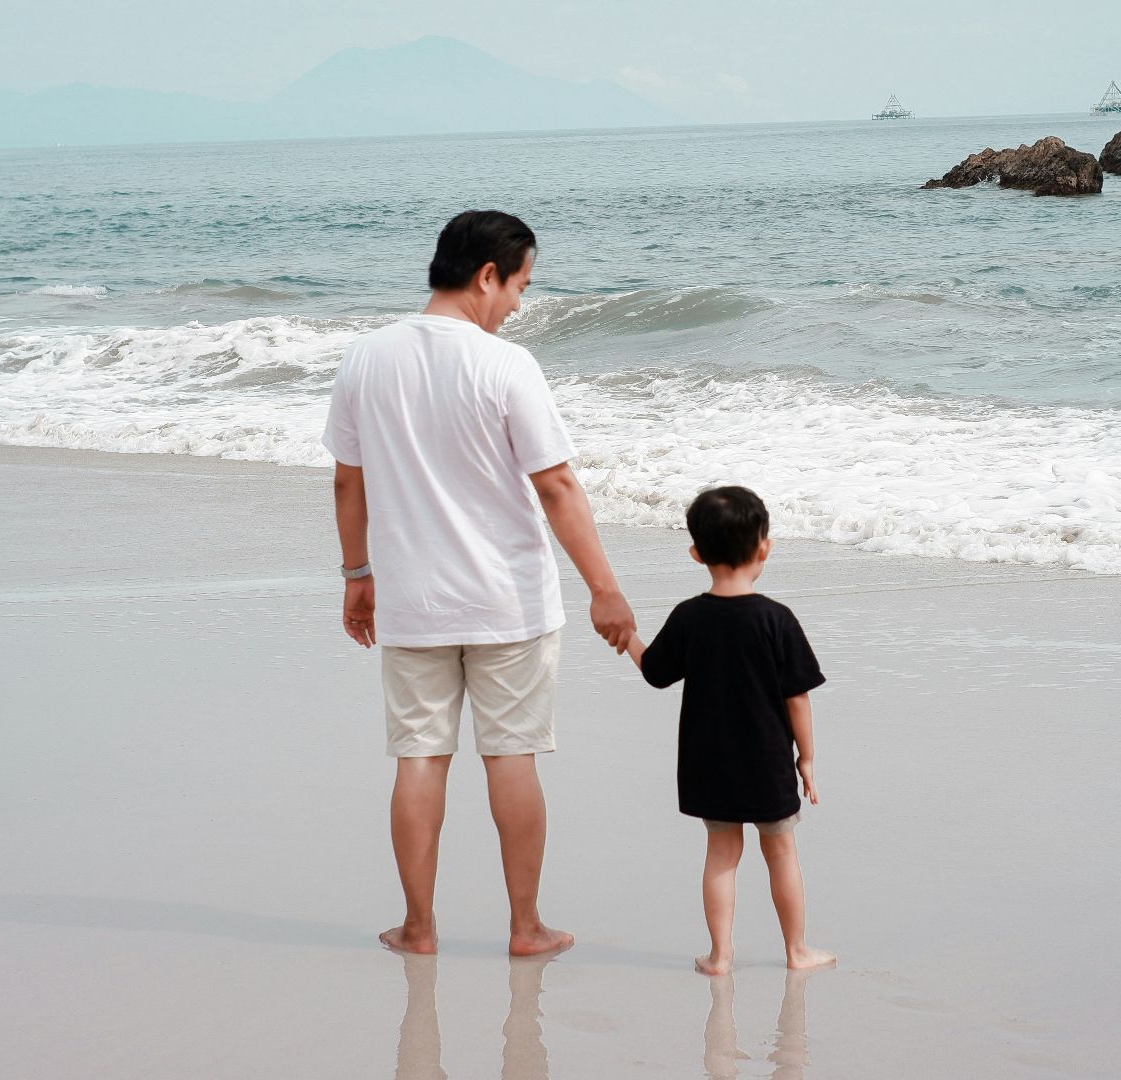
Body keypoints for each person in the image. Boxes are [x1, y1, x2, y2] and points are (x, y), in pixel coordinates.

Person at [325, 209, 637, 957]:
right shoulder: (504, 365)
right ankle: (525, 927)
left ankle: (419, 926)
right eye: (520, 285)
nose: (519, 305)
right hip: (509, 602)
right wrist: (604, 587)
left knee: (420, 758)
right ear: (487, 274)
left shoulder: (365, 357)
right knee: (512, 757)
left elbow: (346, 482)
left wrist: (356, 576)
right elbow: (557, 484)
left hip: (411, 598)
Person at [625, 485, 835, 975]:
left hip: (707, 762)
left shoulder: (689, 616)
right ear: (765, 545)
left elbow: (655, 671)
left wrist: (626, 636)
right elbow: (797, 699)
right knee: (781, 851)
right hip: (766, 763)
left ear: (697, 553)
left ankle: (720, 955)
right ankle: (796, 951)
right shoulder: (776, 620)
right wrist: (806, 759)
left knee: (721, 855)